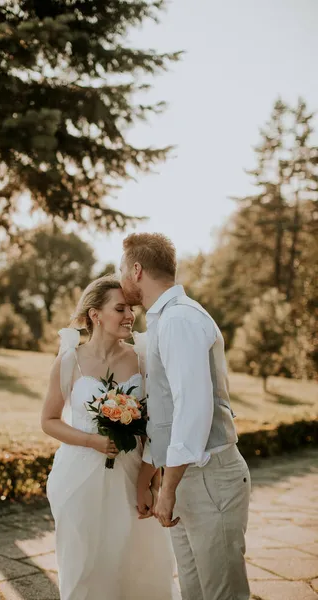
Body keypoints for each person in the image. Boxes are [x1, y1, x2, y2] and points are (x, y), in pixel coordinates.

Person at [120, 233, 251, 600]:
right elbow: (166, 410)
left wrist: (169, 487)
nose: (120, 279)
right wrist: (153, 475)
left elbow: (193, 410)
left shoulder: (179, 320)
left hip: (210, 480)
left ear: (137, 269)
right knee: (195, 592)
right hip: (186, 479)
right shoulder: (164, 319)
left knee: (221, 593)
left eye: (121, 270)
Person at [41, 276, 177, 600]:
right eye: (120, 308)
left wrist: (152, 482)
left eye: (131, 308)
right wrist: (91, 441)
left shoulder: (141, 359)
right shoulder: (68, 361)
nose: (130, 315)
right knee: (83, 565)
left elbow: (154, 428)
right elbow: (48, 421)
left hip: (130, 480)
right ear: (95, 314)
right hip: (78, 479)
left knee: (136, 564)